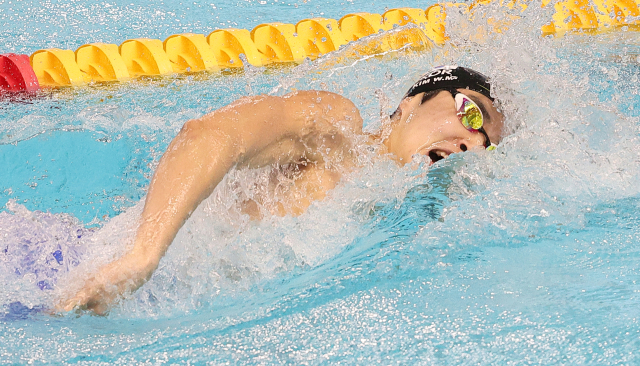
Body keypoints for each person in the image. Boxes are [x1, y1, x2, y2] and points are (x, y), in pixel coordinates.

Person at [57, 65, 505, 315]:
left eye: (486, 143)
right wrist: (142, 256)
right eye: (469, 114)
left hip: (143, 307)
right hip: (70, 269)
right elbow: (210, 135)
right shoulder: (337, 132)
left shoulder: (400, 215)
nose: (473, 140)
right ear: (408, 106)